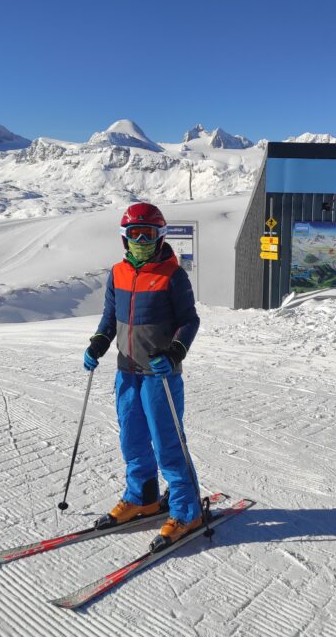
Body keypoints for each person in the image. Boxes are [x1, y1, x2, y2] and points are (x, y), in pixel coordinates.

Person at [83, 202, 202, 548]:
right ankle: (143, 496)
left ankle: (186, 509)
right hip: (127, 373)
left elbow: (189, 321)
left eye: (147, 234)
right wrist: (97, 345)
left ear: (160, 236)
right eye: (134, 234)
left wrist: (175, 351)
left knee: (168, 444)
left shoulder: (172, 275)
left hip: (159, 376)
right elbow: (109, 318)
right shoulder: (117, 273)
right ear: (124, 238)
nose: (141, 241)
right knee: (132, 441)